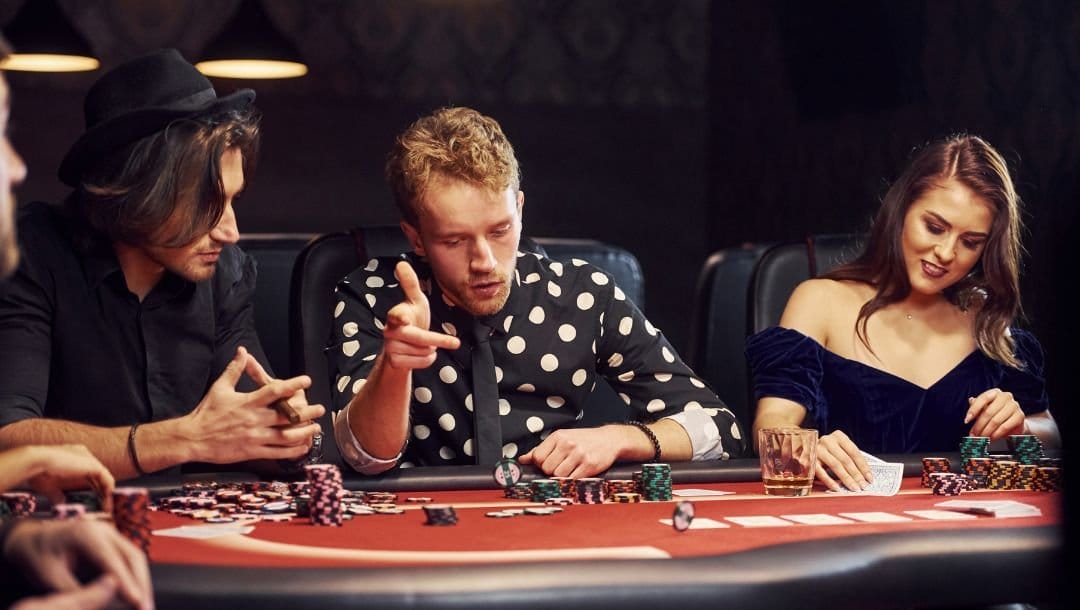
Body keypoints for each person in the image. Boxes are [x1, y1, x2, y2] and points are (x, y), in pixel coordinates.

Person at [327, 106, 746, 477]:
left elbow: (719, 429)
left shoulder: (584, 293)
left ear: (521, 210)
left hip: (553, 525)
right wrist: (394, 368)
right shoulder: (374, 294)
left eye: (500, 230)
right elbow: (365, 458)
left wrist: (619, 438)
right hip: (422, 530)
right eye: (454, 241)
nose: (485, 261)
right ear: (416, 238)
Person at [0, 48, 324, 479]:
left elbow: (249, 432)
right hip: (58, 532)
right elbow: (7, 441)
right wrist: (184, 438)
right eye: (206, 204)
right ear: (137, 191)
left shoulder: (226, 271)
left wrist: (289, 435)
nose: (230, 231)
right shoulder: (29, 255)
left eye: (232, 199)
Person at [746, 134, 1060, 492]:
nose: (945, 252)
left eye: (970, 242)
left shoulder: (986, 319)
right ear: (902, 210)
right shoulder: (820, 301)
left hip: (960, 525)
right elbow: (771, 423)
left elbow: (1050, 432)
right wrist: (807, 445)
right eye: (935, 227)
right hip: (846, 520)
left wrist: (1020, 426)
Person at [0, 33, 153, 610]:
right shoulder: (40, 255)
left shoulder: (230, 273)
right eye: (1, 133)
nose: (17, 167)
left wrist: (20, 540)